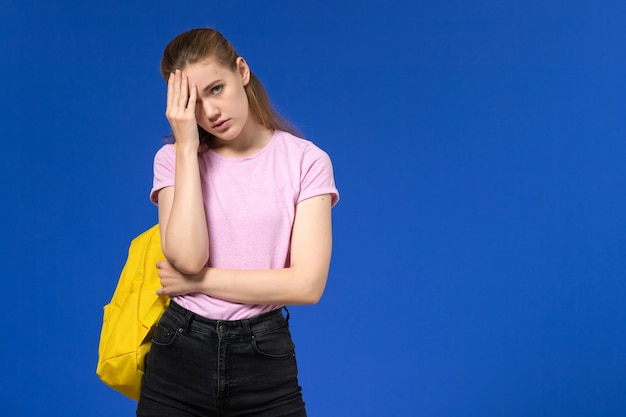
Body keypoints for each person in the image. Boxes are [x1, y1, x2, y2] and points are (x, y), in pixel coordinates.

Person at [136, 28, 339, 417]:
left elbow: (307, 284)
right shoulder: (173, 160)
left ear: (241, 71)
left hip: (264, 356)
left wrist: (201, 282)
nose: (210, 112)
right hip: (179, 350)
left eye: (215, 89)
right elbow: (187, 257)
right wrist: (186, 146)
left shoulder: (307, 162)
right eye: (192, 103)